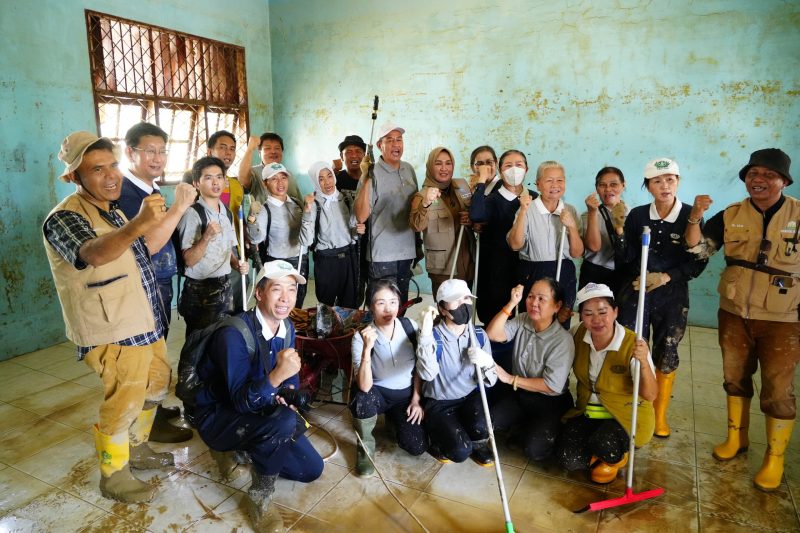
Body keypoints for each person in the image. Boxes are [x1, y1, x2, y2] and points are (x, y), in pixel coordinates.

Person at [43, 131, 195, 502]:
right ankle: (113, 474)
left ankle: (137, 446)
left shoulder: (111, 209)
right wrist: (138, 224)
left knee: (157, 382)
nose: (111, 176)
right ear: (75, 176)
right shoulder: (63, 217)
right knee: (123, 399)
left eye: (113, 165)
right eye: (98, 169)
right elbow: (92, 253)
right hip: (110, 327)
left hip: (142, 319)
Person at [684, 148, 799, 491]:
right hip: (734, 312)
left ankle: (774, 458)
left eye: (767, 175)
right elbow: (698, 251)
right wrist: (694, 218)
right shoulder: (731, 214)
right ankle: (737, 439)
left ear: (783, 180)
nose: (758, 180)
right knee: (734, 377)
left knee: (778, 389)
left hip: (784, 317)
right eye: (752, 174)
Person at [192, 260, 323, 531]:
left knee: (310, 469)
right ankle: (260, 497)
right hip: (217, 415)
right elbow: (239, 400)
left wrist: (289, 392)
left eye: (291, 290)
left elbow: (291, 378)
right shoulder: (234, 334)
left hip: (258, 407)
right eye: (277, 289)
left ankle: (249, 447)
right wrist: (276, 377)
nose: (286, 298)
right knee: (283, 423)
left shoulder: (287, 328)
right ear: (259, 293)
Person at [614, 158, 707, 439]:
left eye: (670, 179)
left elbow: (697, 263)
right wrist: (619, 231)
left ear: (678, 182)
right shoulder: (638, 215)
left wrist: (664, 277)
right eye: (657, 181)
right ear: (648, 186)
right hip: (638, 289)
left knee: (666, 350)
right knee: (633, 346)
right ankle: (634, 405)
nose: (664, 185)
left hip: (672, 294)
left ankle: (658, 413)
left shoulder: (691, 215)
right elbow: (627, 257)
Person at [117, 122, 192, 443]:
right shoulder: (125, 193)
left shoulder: (151, 189)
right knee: (144, 358)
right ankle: (143, 426)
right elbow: (148, 244)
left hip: (160, 282)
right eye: (150, 151)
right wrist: (180, 207)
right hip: (141, 287)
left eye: (163, 151)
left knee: (157, 353)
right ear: (129, 152)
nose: (158, 158)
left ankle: (155, 412)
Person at [556, 283, 657, 484]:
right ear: (581, 317)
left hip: (625, 417)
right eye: (588, 314)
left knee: (604, 444)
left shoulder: (632, 344)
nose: (597, 320)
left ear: (615, 312)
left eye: (603, 312)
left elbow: (650, 394)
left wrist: (644, 362)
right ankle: (598, 455)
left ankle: (616, 458)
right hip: (589, 412)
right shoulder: (577, 335)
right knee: (568, 458)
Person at [485, 279, 575, 461]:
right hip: (521, 395)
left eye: (542, 299)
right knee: (490, 422)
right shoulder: (523, 320)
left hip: (550, 402)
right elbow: (492, 334)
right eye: (531, 296)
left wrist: (511, 379)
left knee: (535, 450)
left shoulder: (562, 341)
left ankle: (546, 428)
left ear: (557, 306)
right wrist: (511, 303)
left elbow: (552, 386)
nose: (534, 303)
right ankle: (524, 424)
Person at [416, 279, 497, 465]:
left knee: (483, 427)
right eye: (456, 300)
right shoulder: (434, 337)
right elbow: (427, 374)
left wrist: (487, 364)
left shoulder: (478, 335)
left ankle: (474, 441)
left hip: (468, 397)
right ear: (442, 309)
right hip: (440, 402)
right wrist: (425, 336)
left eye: (467, 298)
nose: (463, 304)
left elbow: (489, 381)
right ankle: (436, 439)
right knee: (460, 452)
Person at [350, 279, 427, 476]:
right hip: (378, 393)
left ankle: (395, 419)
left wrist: (417, 400)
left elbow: (420, 366)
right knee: (362, 398)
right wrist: (367, 349)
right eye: (381, 303)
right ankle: (365, 453)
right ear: (370, 307)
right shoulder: (361, 337)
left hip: (406, 395)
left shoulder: (410, 327)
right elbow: (365, 387)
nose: (388, 309)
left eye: (393, 302)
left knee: (416, 446)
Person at [177, 157, 249, 337]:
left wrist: (237, 264)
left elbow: (229, 249)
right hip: (201, 291)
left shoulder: (225, 211)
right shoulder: (192, 215)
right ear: (196, 183)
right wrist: (206, 237)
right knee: (198, 344)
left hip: (224, 285)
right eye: (208, 178)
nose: (216, 182)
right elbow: (189, 260)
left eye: (219, 177)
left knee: (220, 340)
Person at [507, 160, 583, 324]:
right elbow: (515, 245)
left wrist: (572, 227)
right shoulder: (527, 208)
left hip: (564, 271)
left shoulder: (570, 210)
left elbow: (577, 253)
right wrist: (523, 212)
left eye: (560, 180)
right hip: (534, 271)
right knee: (533, 322)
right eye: (549, 180)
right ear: (538, 184)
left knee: (560, 323)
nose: (555, 185)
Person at [469, 149, 538, 324]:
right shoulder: (492, 200)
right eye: (508, 165)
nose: (514, 169)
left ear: (527, 169)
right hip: (495, 271)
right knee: (495, 317)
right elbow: (476, 215)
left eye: (519, 165)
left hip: (525, 268)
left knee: (524, 318)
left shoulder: (534, 199)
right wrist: (481, 182)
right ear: (500, 171)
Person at [354, 123, 419, 304]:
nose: (395, 144)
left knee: (401, 305)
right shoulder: (372, 173)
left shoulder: (409, 169)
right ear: (379, 146)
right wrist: (367, 177)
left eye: (399, 139)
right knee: (381, 309)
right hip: (382, 255)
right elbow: (360, 216)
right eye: (389, 140)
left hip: (406, 252)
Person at [409, 146, 475, 298]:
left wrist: (471, 220)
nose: (444, 168)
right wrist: (425, 203)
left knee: (465, 311)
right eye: (438, 163)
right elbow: (416, 225)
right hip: (444, 268)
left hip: (467, 262)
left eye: (448, 163)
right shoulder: (421, 195)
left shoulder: (462, 186)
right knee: (448, 313)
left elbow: (475, 215)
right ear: (430, 166)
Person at [247, 163, 313, 309]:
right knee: (279, 304)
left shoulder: (296, 202)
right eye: (274, 179)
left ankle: (291, 331)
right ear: (265, 184)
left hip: (301, 260)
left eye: (283, 178)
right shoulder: (265, 210)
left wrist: (308, 211)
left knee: (296, 303)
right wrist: (252, 218)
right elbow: (255, 239)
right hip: (278, 262)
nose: (280, 183)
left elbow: (307, 237)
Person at [301, 161, 365, 308]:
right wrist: (307, 211)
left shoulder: (346, 199)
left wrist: (358, 231)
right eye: (321, 179)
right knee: (326, 305)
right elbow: (306, 240)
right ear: (315, 182)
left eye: (329, 176)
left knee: (350, 304)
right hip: (326, 260)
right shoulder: (313, 204)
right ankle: (327, 331)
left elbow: (352, 232)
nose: (327, 182)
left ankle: (348, 331)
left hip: (349, 257)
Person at [580, 166, 629, 294]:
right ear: (597, 188)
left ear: (623, 186)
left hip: (623, 274)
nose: (608, 189)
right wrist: (592, 212)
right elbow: (593, 246)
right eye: (602, 185)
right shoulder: (588, 215)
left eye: (614, 184)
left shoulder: (634, 215)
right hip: (594, 273)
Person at [238, 131, 302, 204]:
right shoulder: (254, 172)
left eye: (277, 148)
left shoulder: (288, 174)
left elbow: (299, 203)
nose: (273, 151)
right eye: (268, 148)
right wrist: (250, 149)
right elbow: (242, 180)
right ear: (259, 153)